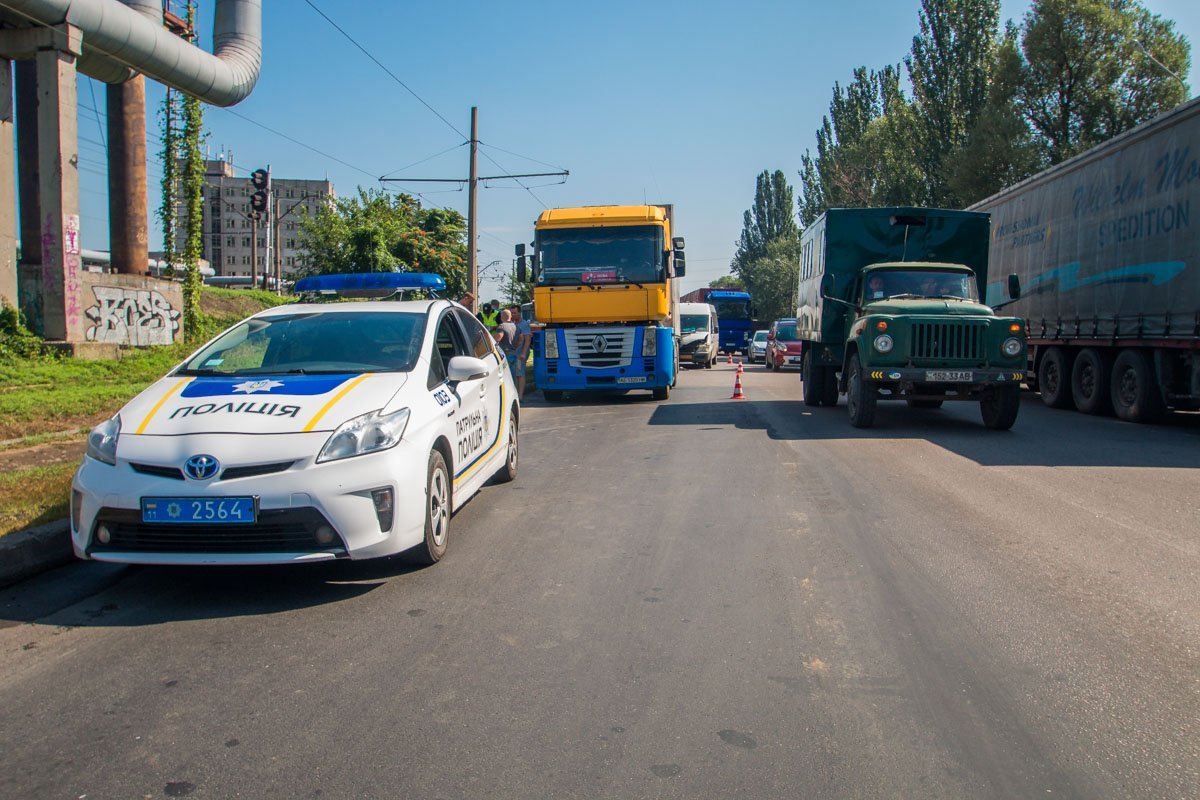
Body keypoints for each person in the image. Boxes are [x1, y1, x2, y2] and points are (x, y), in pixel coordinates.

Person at [493, 309, 522, 383]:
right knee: (512, 376)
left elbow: (499, 337)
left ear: (502, 317)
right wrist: (515, 346)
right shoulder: (516, 327)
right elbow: (521, 338)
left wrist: (492, 340)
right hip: (513, 352)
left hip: (505, 353)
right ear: (510, 316)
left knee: (504, 377)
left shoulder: (502, 326)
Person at [509, 304, 532, 396]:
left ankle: (520, 395)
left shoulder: (524, 324)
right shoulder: (511, 323)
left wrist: (523, 353)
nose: (513, 315)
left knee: (519, 373)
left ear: (519, 313)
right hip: (512, 353)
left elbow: (527, 340)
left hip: (519, 355)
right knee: (513, 374)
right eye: (511, 313)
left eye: (515, 313)